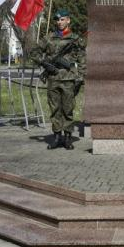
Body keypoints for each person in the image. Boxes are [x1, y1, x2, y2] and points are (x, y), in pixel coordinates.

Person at [30, 10, 86, 150]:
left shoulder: (75, 38)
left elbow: (82, 59)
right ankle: (56, 136)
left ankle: (67, 137)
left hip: (69, 78)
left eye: (62, 20)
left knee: (68, 109)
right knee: (55, 109)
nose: (59, 22)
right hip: (53, 78)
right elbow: (34, 53)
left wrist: (80, 77)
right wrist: (44, 63)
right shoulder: (48, 38)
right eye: (58, 20)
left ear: (68, 21)